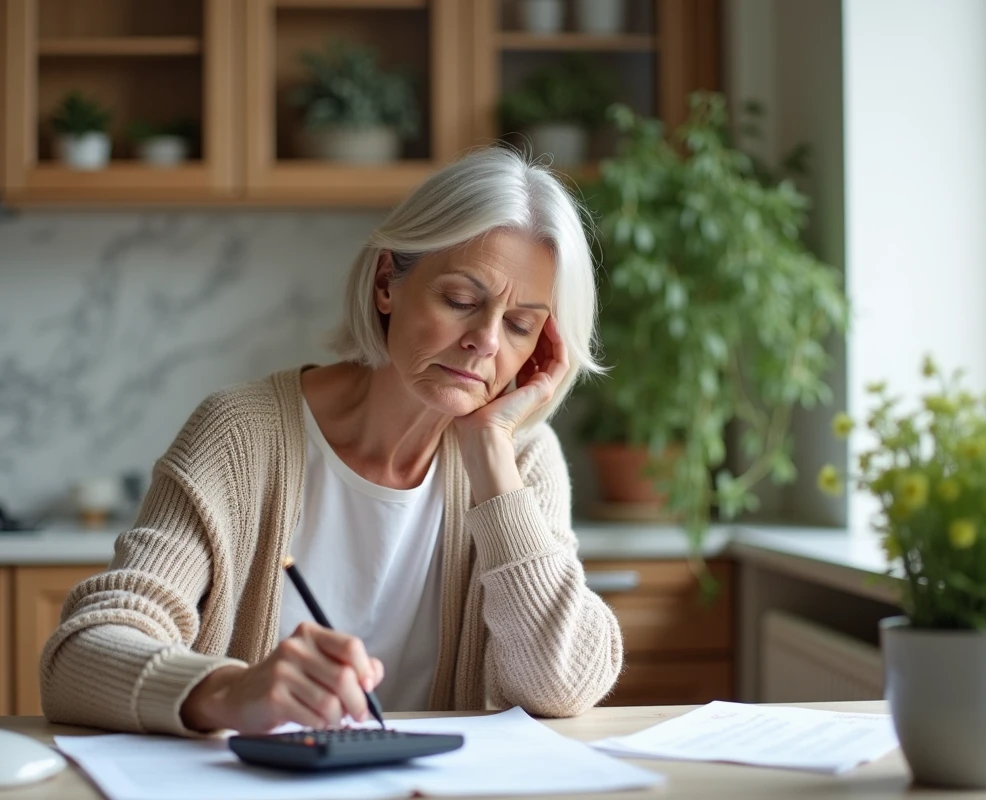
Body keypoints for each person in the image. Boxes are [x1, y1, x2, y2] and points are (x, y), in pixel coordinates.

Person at [39, 146, 624, 736]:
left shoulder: (522, 459)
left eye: (521, 324)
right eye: (461, 301)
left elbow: (561, 687)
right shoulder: (241, 435)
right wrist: (228, 692)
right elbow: (81, 655)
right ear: (385, 285)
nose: (487, 341)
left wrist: (493, 455)